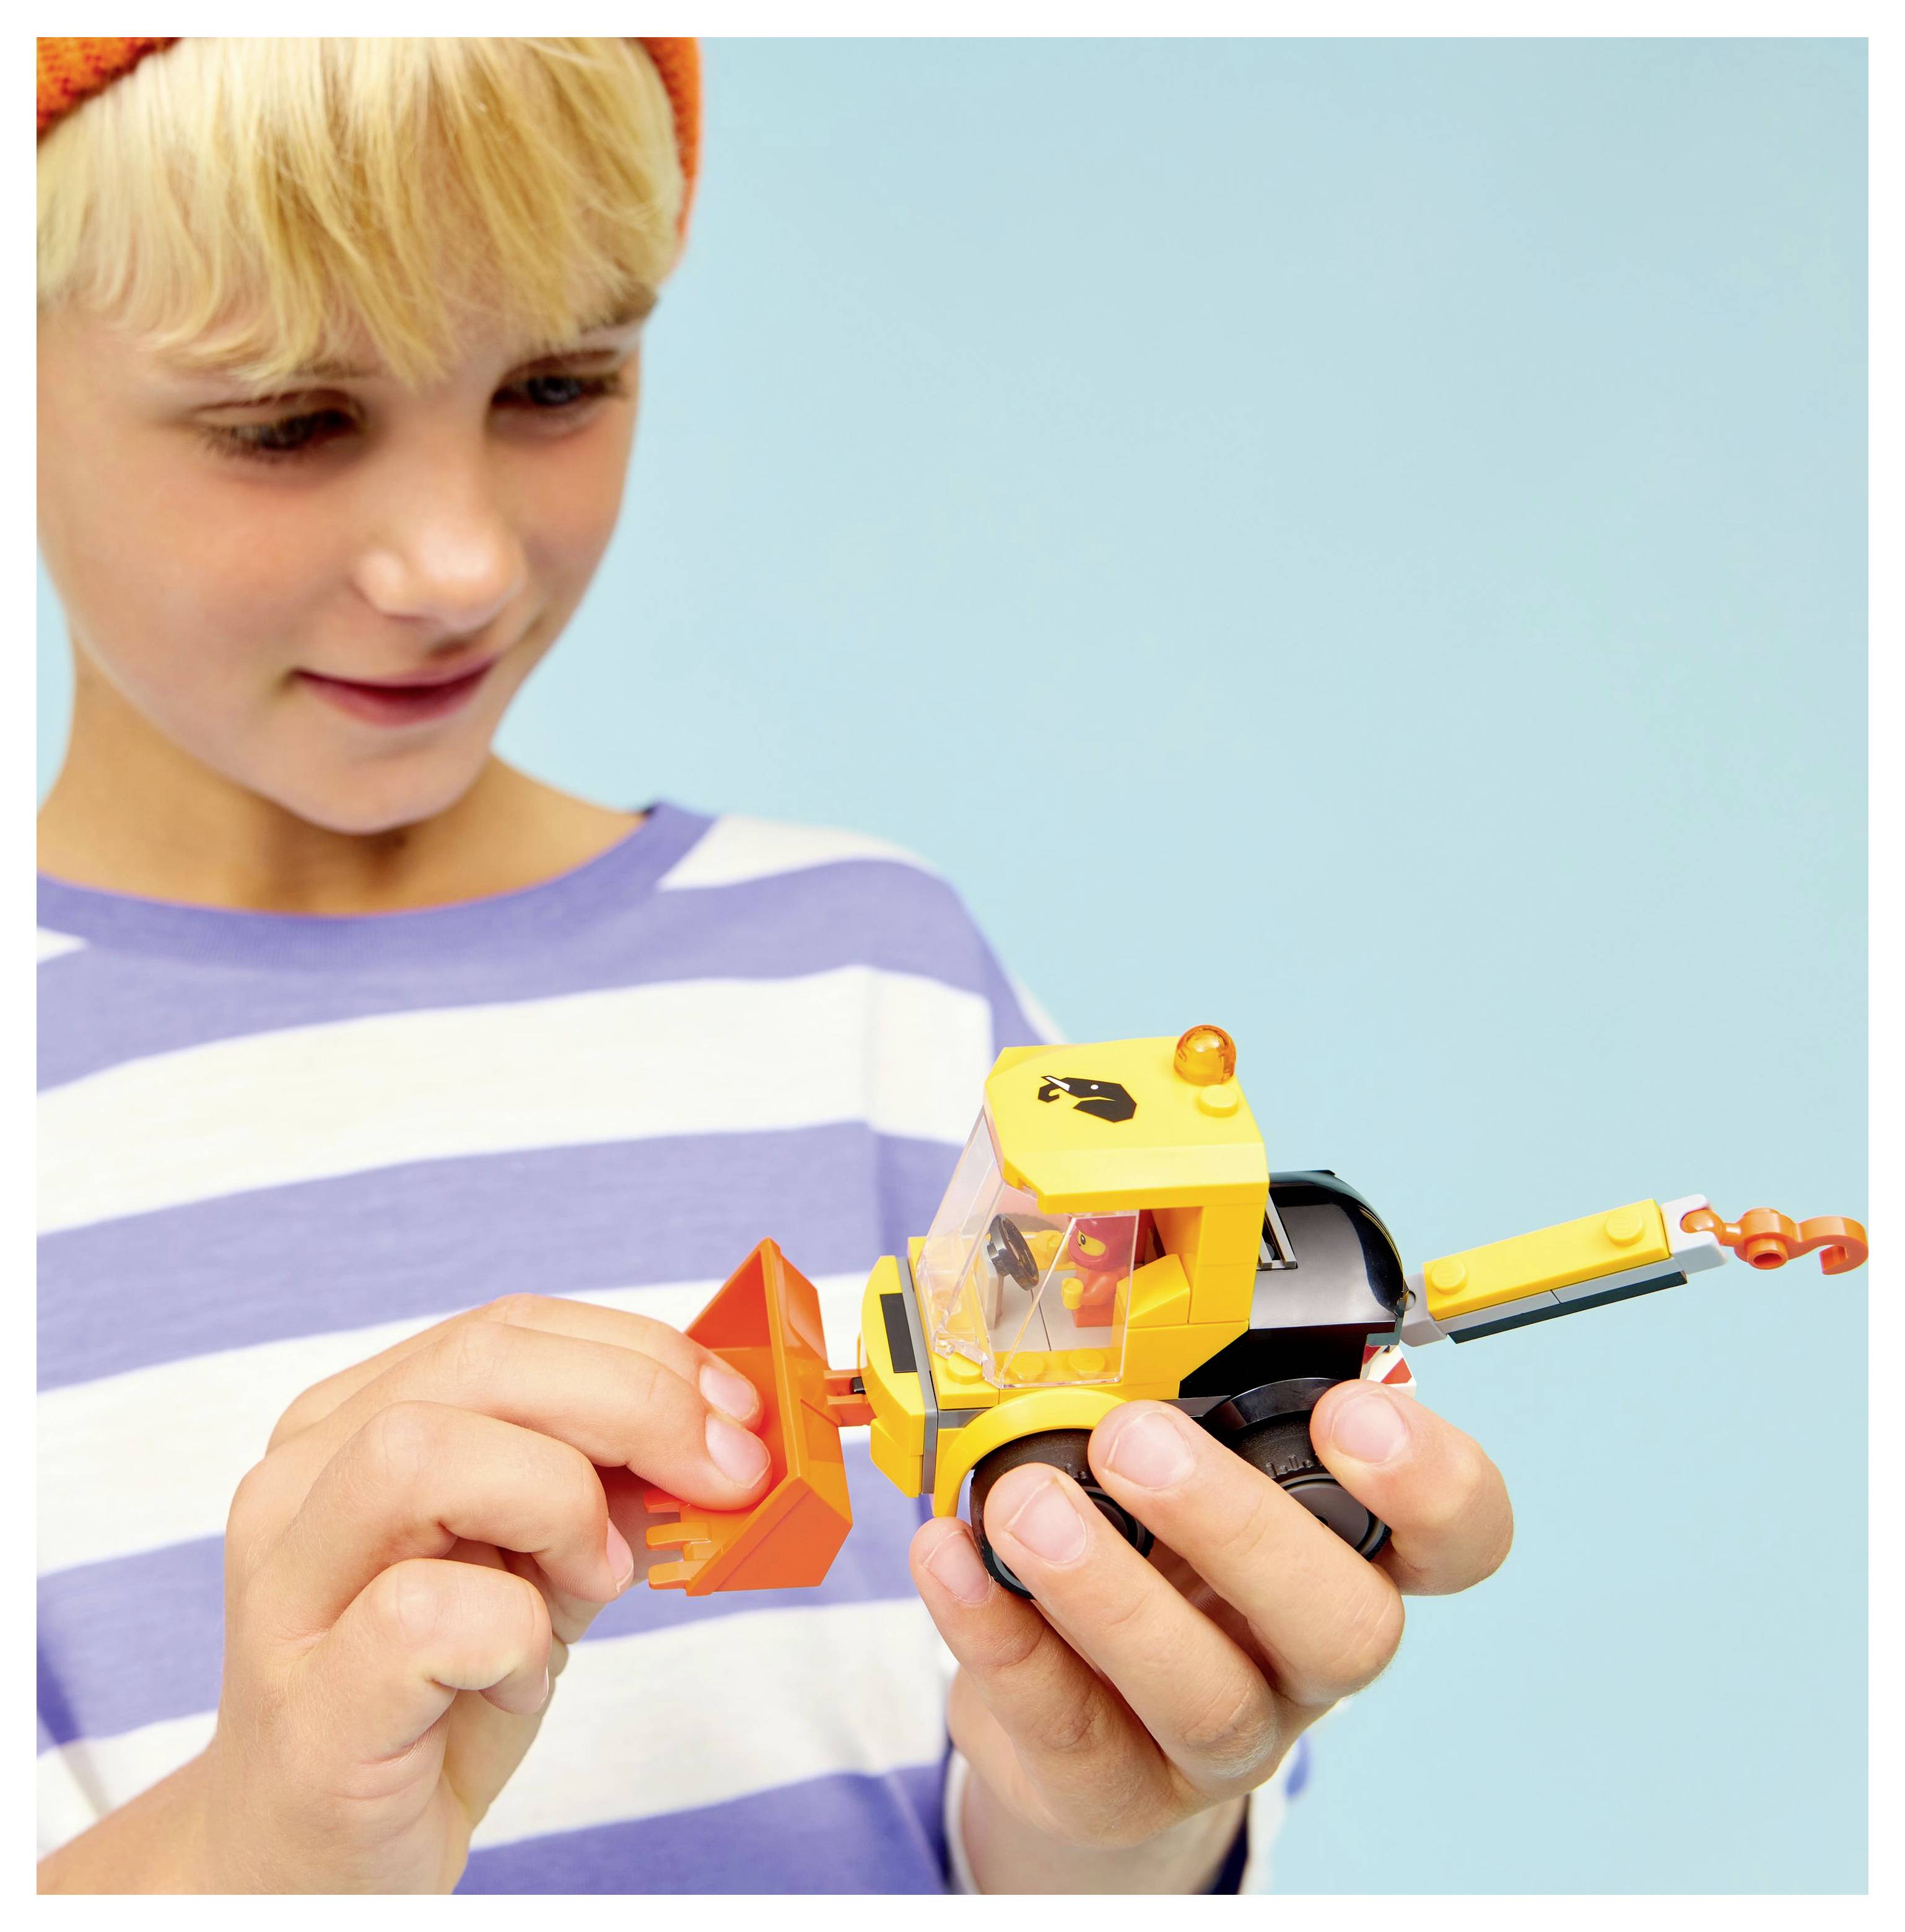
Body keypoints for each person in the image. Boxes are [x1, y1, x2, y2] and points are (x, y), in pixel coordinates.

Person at [35, 37, 1514, 1894]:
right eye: (285, 422)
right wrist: (268, 1842)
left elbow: (1070, 1833)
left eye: (561, 384)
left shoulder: (872, 985)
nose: (456, 559)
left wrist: (1107, 1799)